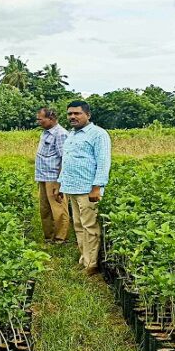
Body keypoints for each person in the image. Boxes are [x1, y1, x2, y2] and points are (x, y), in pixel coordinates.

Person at [57, 101, 111, 276]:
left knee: (89, 226)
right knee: (78, 225)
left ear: (88, 115)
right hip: (72, 186)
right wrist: (61, 184)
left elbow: (103, 163)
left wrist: (97, 187)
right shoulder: (72, 135)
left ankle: (92, 264)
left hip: (88, 188)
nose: (72, 117)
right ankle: (84, 258)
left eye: (77, 113)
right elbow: (67, 161)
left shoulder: (98, 134)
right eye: (70, 114)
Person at [34, 107, 69, 244]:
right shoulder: (45, 132)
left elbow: (64, 159)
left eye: (40, 119)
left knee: (58, 208)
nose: (38, 121)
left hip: (53, 177)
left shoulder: (60, 134)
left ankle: (61, 238)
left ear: (51, 119)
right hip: (42, 176)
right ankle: (49, 237)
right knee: (44, 208)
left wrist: (60, 182)